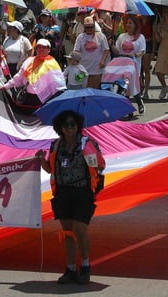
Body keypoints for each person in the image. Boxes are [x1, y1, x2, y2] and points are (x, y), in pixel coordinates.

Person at [35, 110, 105, 285]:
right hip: (62, 193)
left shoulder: (87, 143)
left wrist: (93, 158)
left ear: (78, 126)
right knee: (67, 232)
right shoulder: (56, 146)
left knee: (79, 229)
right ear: (60, 128)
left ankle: (86, 266)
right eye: (66, 125)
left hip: (82, 192)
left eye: (73, 124)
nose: (70, 128)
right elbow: (51, 170)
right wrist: (41, 160)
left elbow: (100, 166)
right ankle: (71, 269)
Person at [0, 38, 64, 106]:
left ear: (49, 50)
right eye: (38, 47)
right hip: (25, 97)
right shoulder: (29, 61)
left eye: (44, 47)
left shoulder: (53, 64)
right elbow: (19, 77)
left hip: (42, 101)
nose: (41, 49)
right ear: (35, 49)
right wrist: (6, 86)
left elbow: (57, 86)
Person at [111, 15, 146, 114]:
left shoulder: (140, 37)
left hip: (134, 65)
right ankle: (128, 109)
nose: (128, 25)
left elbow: (142, 51)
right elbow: (117, 51)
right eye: (127, 23)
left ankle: (139, 103)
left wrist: (134, 55)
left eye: (130, 23)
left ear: (135, 25)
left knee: (132, 86)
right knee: (124, 86)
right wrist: (113, 47)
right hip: (122, 65)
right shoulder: (122, 36)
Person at [72, 16, 110, 88]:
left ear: (94, 26)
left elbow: (106, 49)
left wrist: (103, 60)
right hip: (84, 67)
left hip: (97, 68)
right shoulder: (80, 37)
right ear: (84, 27)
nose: (89, 29)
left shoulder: (101, 36)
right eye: (87, 27)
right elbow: (76, 50)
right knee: (84, 88)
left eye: (91, 27)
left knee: (96, 88)